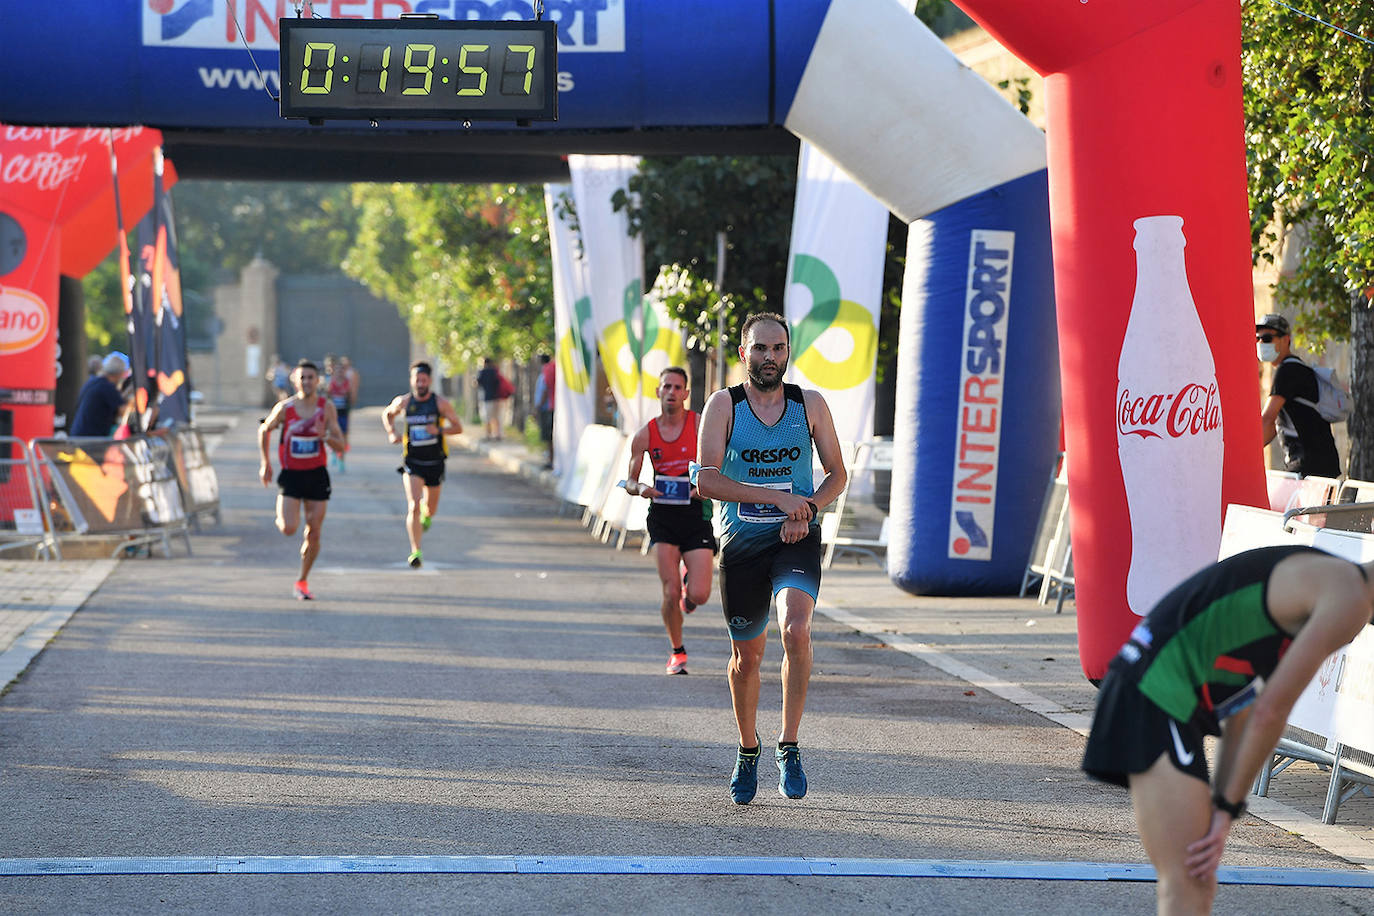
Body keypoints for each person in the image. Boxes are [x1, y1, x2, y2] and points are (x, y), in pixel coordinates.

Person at [1082, 544, 1374, 914]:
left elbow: (1245, 707)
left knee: (1196, 882)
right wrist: (1226, 809)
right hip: (1154, 691)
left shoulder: (1323, 574)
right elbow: (1271, 712)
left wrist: (1223, 802)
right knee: (1187, 880)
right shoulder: (1349, 598)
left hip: (1157, 687)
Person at [692, 312, 848, 804]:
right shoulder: (724, 405)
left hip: (795, 538)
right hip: (741, 541)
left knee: (796, 629)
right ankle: (747, 748)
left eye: (778, 349)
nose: (770, 358)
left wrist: (807, 507)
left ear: (787, 353)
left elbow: (837, 474)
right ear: (744, 354)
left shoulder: (810, 405)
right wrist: (775, 497)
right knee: (747, 657)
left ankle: (790, 744)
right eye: (760, 349)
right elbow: (706, 480)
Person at [623, 367, 717, 676]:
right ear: (658, 392)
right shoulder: (645, 433)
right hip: (662, 515)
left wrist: (702, 486)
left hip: (695, 512)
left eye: (678, 387)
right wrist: (643, 490)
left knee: (700, 594)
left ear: (686, 394)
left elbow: (718, 465)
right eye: (667, 386)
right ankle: (677, 652)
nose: (672, 392)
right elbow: (630, 481)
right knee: (669, 590)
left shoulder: (701, 425)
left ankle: (690, 594)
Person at [258, 360, 345, 601]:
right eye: (302, 378)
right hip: (292, 475)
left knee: (314, 532)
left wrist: (325, 436)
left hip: (317, 474)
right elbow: (264, 430)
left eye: (311, 377)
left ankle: (302, 580)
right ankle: (283, 512)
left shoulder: (326, 408)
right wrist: (266, 463)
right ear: (295, 381)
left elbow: (341, 445)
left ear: (318, 381)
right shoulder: (285, 408)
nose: (307, 382)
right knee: (288, 528)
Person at [382, 361, 464, 568]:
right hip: (413, 462)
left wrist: (439, 431)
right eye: (416, 380)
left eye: (424, 380)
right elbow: (387, 414)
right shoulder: (404, 402)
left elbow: (458, 427)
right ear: (412, 381)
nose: (420, 383)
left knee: (431, 509)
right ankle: (415, 551)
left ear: (429, 381)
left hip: (435, 462)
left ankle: (428, 517)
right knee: (414, 505)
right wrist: (392, 432)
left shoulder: (440, 404)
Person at [1257, 313, 1340, 479]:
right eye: (1257, 338)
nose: (1260, 343)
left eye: (1266, 338)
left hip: (1309, 466)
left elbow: (1267, 418)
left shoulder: (1287, 370)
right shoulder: (1296, 368)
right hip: (1320, 465)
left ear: (1286, 340)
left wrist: (1245, 453)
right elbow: (1273, 426)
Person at [70, 352, 129, 437]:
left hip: (78, 435)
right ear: (119, 374)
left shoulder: (93, 382)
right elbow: (123, 411)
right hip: (91, 439)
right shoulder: (107, 387)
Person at [324, 355, 353, 471]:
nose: (340, 372)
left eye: (342, 370)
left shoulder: (347, 382)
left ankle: (342, 459)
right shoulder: (330, 382)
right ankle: (333, 452)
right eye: (337, 370)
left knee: (344, 436)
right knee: (333, 434)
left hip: (343, 413)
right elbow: (327, 397)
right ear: (334, 371)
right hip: (333, 413)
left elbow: (350, 397)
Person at [535, 353, 556, 469]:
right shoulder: (549, 369)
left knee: (549, 436)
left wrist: (539, 404)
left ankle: (551, 460)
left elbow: (545, 389)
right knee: (549, 435)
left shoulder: (547, 370)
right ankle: (550, 459)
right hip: (549, 406)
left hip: (547, 407)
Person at [475, 357, 504, 441]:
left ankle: (488, 435)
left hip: (488, 398)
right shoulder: (496, 371)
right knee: (497, 417)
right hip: (498, 398)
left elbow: (478, 383)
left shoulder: (482, 372)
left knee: (487, 418)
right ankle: (498, 434)